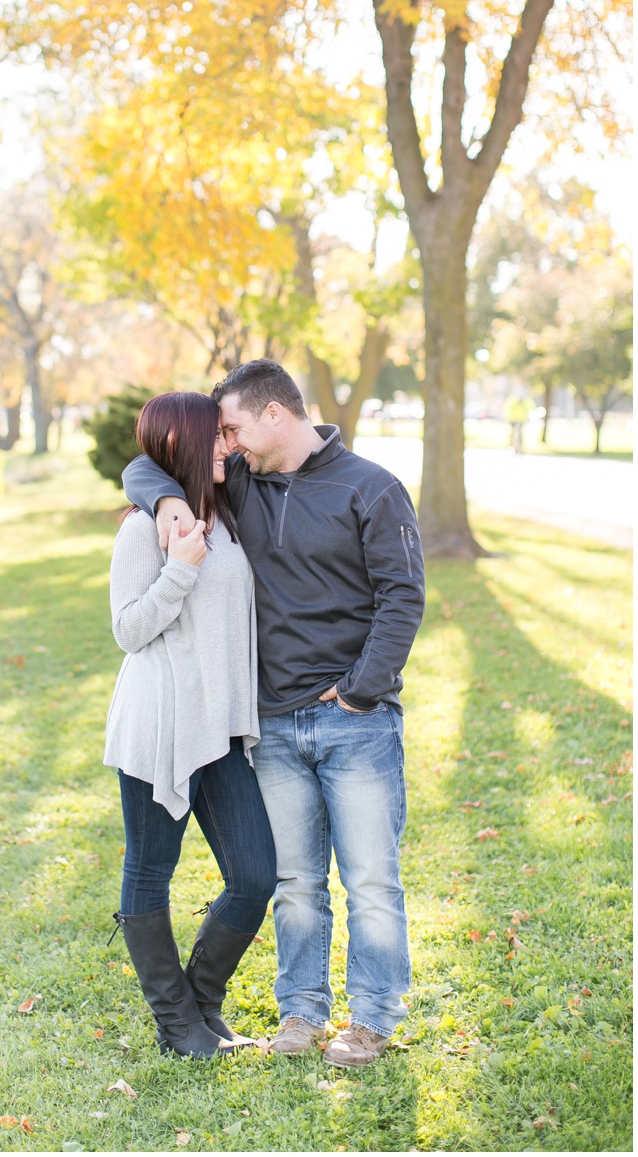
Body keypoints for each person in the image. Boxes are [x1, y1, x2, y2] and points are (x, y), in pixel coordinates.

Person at [124, 359, 424, 1069]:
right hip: (275, 727)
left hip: (357, 722)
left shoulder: (372, 488)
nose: (227, 444)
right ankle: (301, 1012)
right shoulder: (244, 490)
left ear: (275, 415)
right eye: (220, 434)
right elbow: (152, 468)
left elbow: (401, 598)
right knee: (294, 883)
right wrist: (165, 501)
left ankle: (374, 1019)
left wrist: (358, 690)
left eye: (233, 428)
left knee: (372, 880)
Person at [106, 391, 275, 1059]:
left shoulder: (224, 511)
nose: (226, 447)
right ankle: (178, 1024)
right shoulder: (139, 529)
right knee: (149, 870)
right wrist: (179, 569)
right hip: (159, 727)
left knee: (255, 875)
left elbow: (144, 467)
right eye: (213, 437)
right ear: (182, 442)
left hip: (221, 728)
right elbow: (127, 629)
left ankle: (203, 1001)